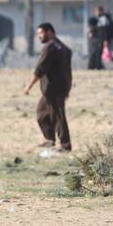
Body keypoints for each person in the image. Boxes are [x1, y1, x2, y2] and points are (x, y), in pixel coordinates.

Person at [24, 22, 72, 152]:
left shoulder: (50, 47)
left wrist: (29, 86)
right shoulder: (63, 47)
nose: (39, 36)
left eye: (41, 33)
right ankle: (49, 139)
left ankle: (65, 145)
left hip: (53, 89)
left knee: (58, 115)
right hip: (60, 87)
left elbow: (40, 69)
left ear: (49, 32)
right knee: (42, 113)